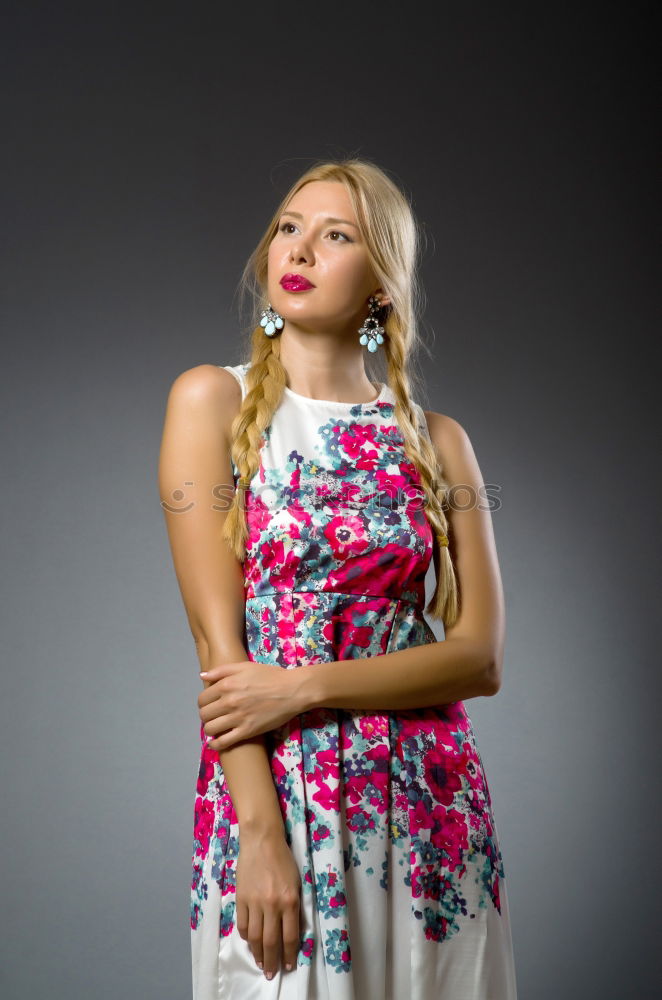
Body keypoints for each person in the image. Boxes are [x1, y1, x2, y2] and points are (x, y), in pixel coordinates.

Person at [158, 158, 518, 999]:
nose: (302, 249)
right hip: (281, 798)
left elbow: (480, 659)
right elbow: (220, 648)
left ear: (383, 281)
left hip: (432, 806)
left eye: (337, 235)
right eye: (289, 227)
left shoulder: (441, 442)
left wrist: (304, 686)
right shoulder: (208, 400)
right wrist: (259, 837)